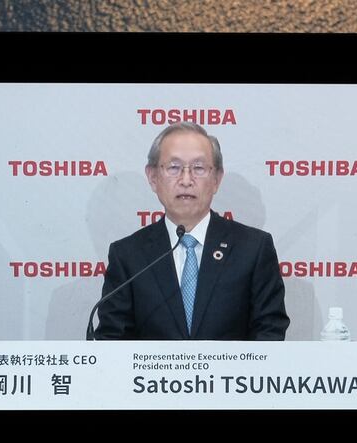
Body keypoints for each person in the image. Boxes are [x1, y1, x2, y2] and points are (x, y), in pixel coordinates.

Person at [94, 122, 289, 340]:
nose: (186, 180)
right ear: (152, 177)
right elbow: (112, 342)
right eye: (173, 167)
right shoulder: (128, 255)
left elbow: (269, 334)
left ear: (216, 179)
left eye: (199, 168)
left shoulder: (253, 248)